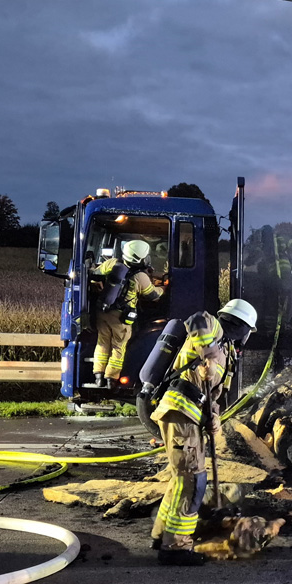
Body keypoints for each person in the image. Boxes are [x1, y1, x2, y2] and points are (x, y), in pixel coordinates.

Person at [148, 300, 258, 565]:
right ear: (242, 326)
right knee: (192, 481)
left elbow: (213, 396)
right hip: (179, 412)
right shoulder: (214, 328)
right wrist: (208, 355)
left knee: (182, 480)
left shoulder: (227, 352)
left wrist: (214, 419)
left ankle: (162, 535)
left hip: (191, 417)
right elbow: (197, 319)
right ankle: (175, 548)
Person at [89, 239, 163, 390]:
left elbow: (95, 273)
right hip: (120, 317)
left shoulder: (112, 263)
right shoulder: (140, 276)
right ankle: (111, 378)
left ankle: (98, 376)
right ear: (140, 258)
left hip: (102, 312)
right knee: (118, 346)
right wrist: (163, 288)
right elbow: (153, 296)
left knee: (102, 342)